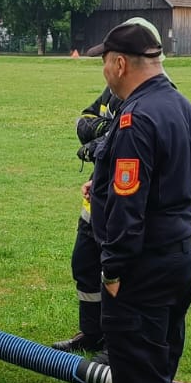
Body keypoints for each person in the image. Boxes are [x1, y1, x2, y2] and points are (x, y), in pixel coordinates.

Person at [86, 17, 191, 383]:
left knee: (139, 370)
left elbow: (130, 203)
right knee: (156, 360)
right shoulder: (182, 107)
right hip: (181, 253)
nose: (103, 71)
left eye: (103, 62)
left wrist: (113, 268)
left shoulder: (135, 119)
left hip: (144, 264)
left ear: (119, 64)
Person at [52, 83, 119, 358]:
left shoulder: (145, 99)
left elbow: (126, 142)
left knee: (115, 274)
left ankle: (114, 343)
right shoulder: (112, 91)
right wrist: (107, 131)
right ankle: (91, 333)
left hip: (119, 203)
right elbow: (83, 123)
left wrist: (105, 139)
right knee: (84, 264)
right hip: (95, 198)